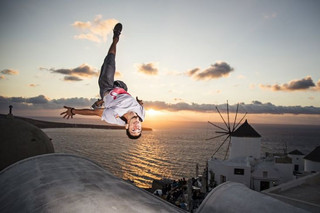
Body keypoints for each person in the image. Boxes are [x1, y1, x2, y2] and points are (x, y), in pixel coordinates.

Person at [61, 23, 145, 139]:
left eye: (133, 130)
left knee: (110, 62)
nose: (136, 126)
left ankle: (115, 38)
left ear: (127, 127)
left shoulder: (114, 117)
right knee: (123, 86)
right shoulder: (142, 115)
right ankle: (102, 101)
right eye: (139, 129)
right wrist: (139, 102)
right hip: (121, 88)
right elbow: (140, 106)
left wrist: (73, 111)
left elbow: (94, 113)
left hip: (107, 88)